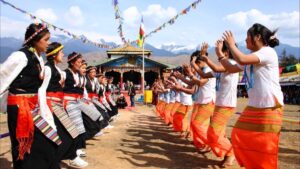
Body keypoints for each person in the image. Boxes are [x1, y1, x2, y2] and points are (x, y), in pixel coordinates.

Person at [221, 23, 284, 169]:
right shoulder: (252, 57)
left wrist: (231, 45)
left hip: (270, 106)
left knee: (266, 148)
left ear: (257, 37)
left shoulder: (267, 52)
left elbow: (241, 59)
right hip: (255, 106)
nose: (245, 40)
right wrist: (219, 54)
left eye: (247, 36)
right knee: (238, 134)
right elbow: (230, 68)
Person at [0, 23, 61, 169]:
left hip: (32, 106)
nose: (48, 43)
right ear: (35, 39)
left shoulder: (37, 58)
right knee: (24, 147)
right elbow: (2, 76)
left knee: (45, 143)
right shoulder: (20, 56)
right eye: (46, 40)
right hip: (20, 108)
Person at [40, 42, 87, 168]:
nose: (63, 54)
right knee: (64, 135)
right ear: (54, 54)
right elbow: (42, 90)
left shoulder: (58, 70)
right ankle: (56, 160)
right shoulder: (48, 69)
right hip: (50, 106)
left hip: (58, 105)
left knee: (72, 132)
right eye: (61, 52)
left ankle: (69, 156)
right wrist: (44, 109)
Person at [194, 42, 238, 167]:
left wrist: (208, 57)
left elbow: (218, 68)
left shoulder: (232, 64)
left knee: (213, 132)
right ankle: (227, 154)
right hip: (219, 103)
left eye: (221, 51)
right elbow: (203, 74)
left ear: (227, 52)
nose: (219, 55)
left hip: (227, 104)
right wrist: (196, 61)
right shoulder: (221, 67)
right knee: (217, 132)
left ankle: (230, 153)